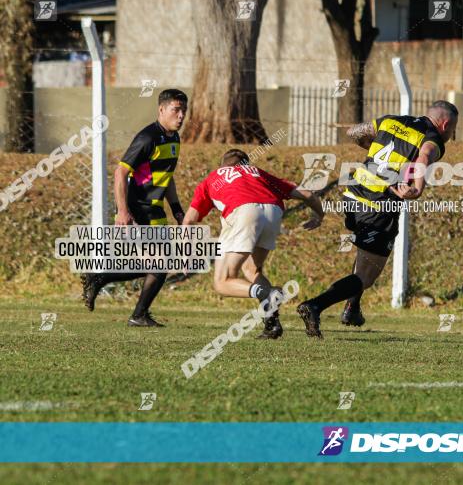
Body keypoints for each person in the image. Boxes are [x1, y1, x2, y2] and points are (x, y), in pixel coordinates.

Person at [296, 100, 458, 338]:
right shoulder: (432, 137)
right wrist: (418, 188)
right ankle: (315, 306)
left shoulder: (391, 120)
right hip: (379, 205)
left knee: (364, 257)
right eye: (452, 130)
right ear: (445, 124)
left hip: (353, 196)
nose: (451, 136)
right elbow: (424, 157)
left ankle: (352, 308)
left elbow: (354, 132)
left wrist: (373, 147)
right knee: (366, 276)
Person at [181, 149, 324, 339]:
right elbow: (306, 193)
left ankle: (270, 292)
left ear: (222, 165)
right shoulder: (258, 173)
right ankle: (271, 324)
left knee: (223, 282)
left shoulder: (213, 177)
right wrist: (319, 215)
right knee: (252, 270)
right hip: (273, 212)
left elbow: (189, 221)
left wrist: (185, 254)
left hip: (244, 211)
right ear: (246, 164)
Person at [81, 89, 189, 327]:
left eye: (183, 110)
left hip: (156, 210)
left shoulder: (173, 138)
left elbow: (167, 176)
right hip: (139, 208)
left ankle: (102, 280)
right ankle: (135, 312)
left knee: (159, 265)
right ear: (161, 110)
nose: (180, 116)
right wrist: (122, 211)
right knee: (160, 264)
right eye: (175, 110)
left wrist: (178, 210)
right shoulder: (147, 137)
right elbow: (121, 172)